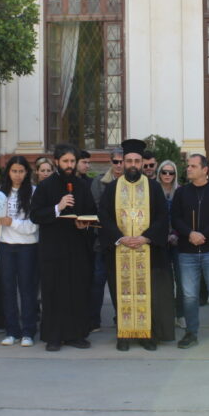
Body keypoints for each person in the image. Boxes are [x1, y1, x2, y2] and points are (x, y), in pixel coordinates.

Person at [98, 138, 175, 351]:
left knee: (147, 294)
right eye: (129, 161)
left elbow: (162, 217)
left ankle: (146, 335)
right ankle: (123, 335)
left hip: (147, 251)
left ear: (142, 163)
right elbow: (104, 216)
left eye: (137, 161)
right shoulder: (112, 188)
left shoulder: (153, 188)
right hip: (120, 250)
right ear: (123, 162)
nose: (133, 165)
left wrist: (146, 237)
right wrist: (120, 237)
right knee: (121, 293)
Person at [30, 144, 98, 351]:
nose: (69, 165)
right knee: (54, 292)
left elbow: (92, 212)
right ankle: (54, 336)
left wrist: (85, 223)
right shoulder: (45, 186)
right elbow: (35, 215)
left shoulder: (82, 186)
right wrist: (57, 208)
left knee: (77, 290)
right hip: (53, 249)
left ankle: (76, 335)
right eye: (65, 161)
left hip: (77, 248)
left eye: (72, 161)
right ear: (57, 162)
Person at [170, 154, 209, 351]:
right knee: (189, 295)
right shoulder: (181, 192)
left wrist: (203, 234)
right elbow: (175, 218)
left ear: (205, 170)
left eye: (193, 166)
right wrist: (190, 233)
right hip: (187, 251)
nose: (188, 169)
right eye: (188, 165)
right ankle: (191, 333)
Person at [0, 156, 39, 348]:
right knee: (8, 289)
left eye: (21, 171)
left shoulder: (34, 192)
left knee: (28, 290)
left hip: (28, 246)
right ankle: (12, 331)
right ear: (8, 172)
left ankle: (28, 331)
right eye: (14, 171)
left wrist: (12, 222)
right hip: (5, 246)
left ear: (27, 173)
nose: (17, 175)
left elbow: (34, 226)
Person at [88, 147, 123, 332]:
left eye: (122, 162)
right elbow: (96, 207)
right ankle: (94, 320)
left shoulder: (132, 182)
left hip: (124, 240)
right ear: (111, 162)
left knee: (120, 283)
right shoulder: (99, 181)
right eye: (115, 161)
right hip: (102, 240)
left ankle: (121, 319)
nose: (119, 165)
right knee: (98, 281)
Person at [157, 159, 184, 326]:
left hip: (178, 241)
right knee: (164, 281)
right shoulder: (153, 190)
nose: (167, 175)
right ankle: (166, 316)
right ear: (159, 173)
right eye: (164, 172)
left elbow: (183, 216)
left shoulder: (180, 191)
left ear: (175, 174)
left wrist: (175, 233)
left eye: (171, 172)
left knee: (181, 279)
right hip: (159, 242)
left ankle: (180, 314)